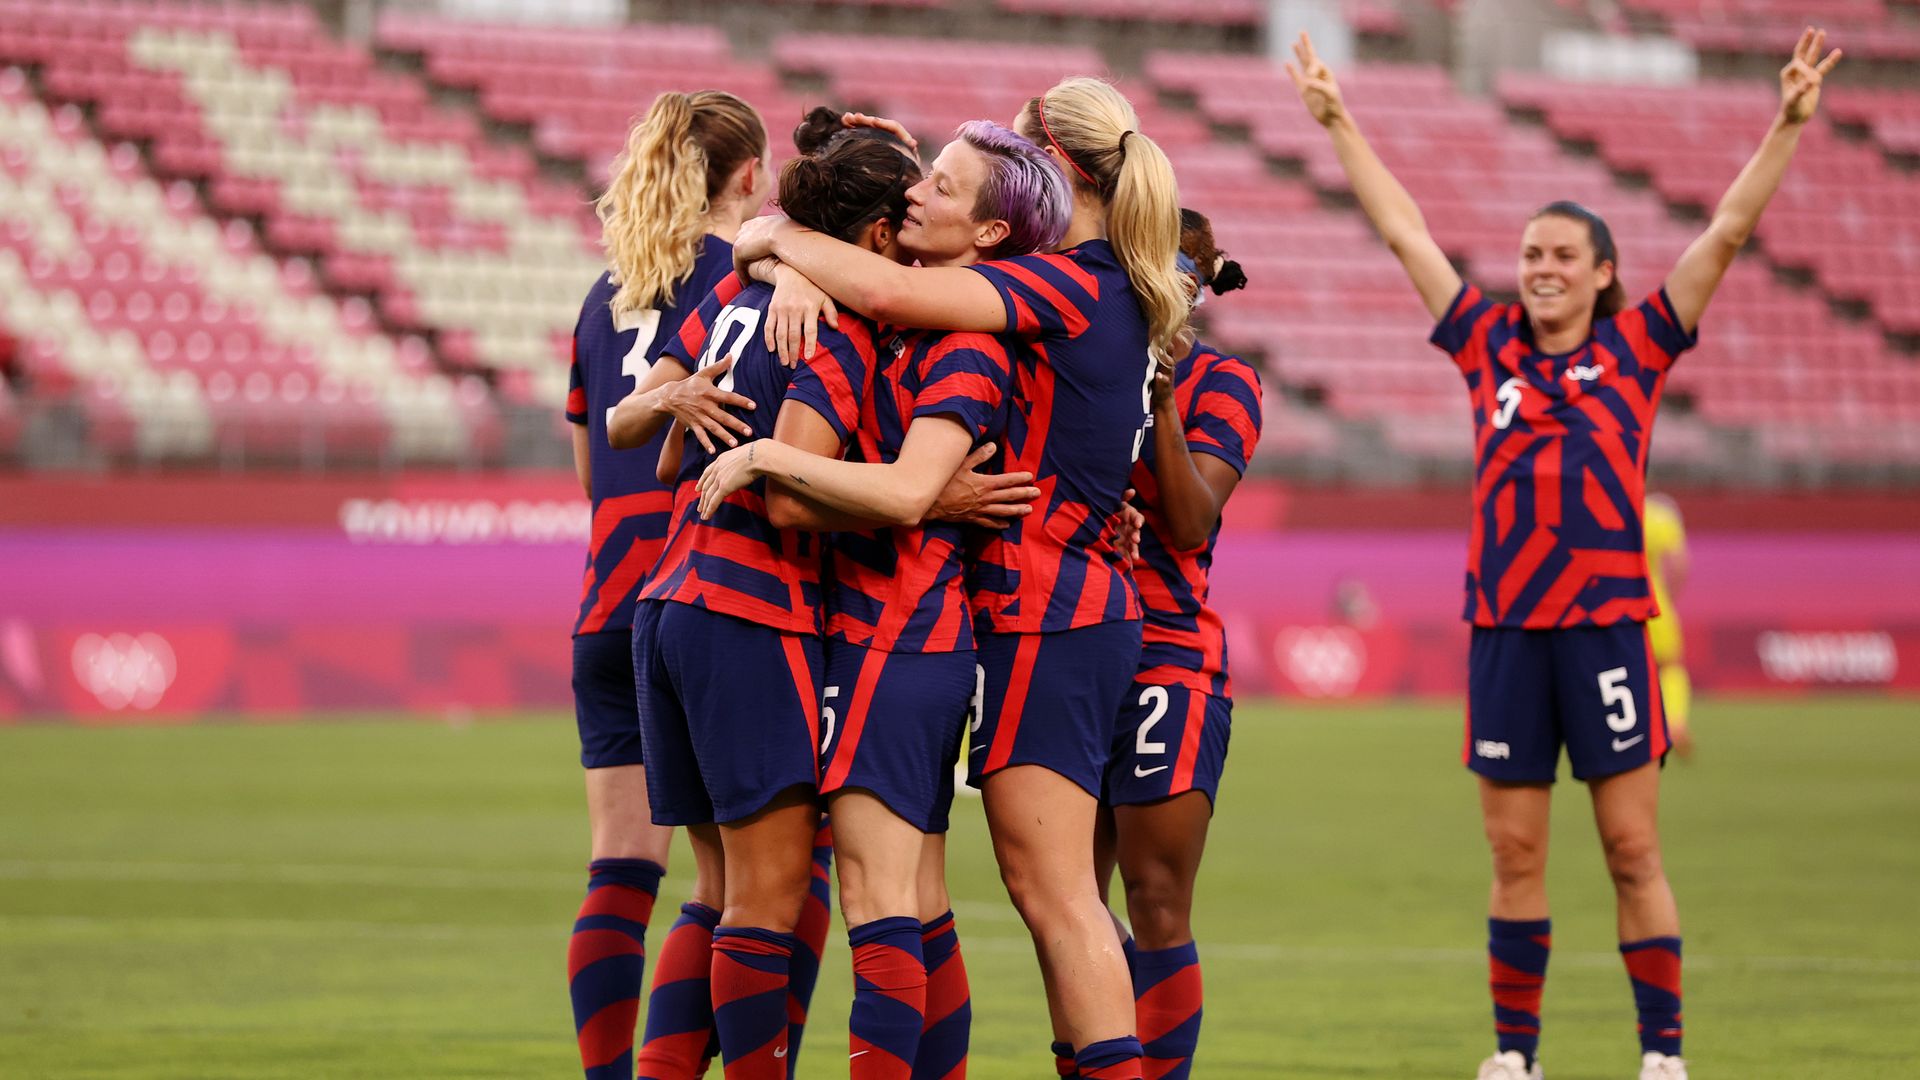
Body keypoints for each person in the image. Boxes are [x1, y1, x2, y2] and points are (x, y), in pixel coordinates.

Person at [1286, 27, 1841, 1080]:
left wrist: (1785, 124)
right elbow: (1405, 234)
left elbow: (1724, 233)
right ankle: (1515, 1056)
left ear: (1603, 277)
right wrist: (1339, 121)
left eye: (1562, 257)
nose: (1541, 270)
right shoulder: (1483, 343)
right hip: (1503, 633)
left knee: (1633, 850)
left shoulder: (1640, 350)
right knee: (1514, 855)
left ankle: (1663, 1055)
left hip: (1606, 634)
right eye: (1532, 255)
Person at [733, 75, 1185, 1080]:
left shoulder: (1070, 282)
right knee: (1047, 893)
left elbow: (890, 287)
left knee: (1058, 894)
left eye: (1018, 152)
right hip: (1053, 607)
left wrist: (771, 242)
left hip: (1049, 614)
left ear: (1058, 169)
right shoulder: (1104, 285)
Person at [698, 117, 1072, 1079]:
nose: (915, 197)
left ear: (988, 235)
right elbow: (759, 234)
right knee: (916, 898)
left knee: (875, 897)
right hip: (872, 632)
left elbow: (904, 493)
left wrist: (770, 455)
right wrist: (783, 259)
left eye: (940, 187)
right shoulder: (901, 318)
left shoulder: (968, 347)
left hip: (905, 639)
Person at [614, 125, 917, 1080]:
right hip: (750, 610)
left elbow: (668, 454)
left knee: (713, 891)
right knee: (769, 899)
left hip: (668, 601)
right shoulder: (835, 327)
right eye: (903, 228)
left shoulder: (738, 296)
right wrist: (917, 497)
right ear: (872, 235)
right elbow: (789, 492)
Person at [560, 88, 769, 1080]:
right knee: (753, 884)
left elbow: (591, 472)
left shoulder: (604, 296)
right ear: (751, 176)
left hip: (605, 601)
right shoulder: (746, 277)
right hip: (704, 596)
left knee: (620, 866)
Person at [1096, 209, 1257, 1080]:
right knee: (1061, 900)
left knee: (1156, 900)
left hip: (1166, 655)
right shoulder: (1076, 362)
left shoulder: (1224, 384)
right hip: (1067, 645)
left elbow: (1192, 520)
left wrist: (1157, 396)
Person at [1642, 494, 1692, 757]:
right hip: (1656, 602)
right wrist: (1668, 596)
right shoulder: (1661, 514)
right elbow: (1679, 564)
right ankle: (1675, 721)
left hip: (1621, 603)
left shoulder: (1620, 507)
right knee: (1670, 665)